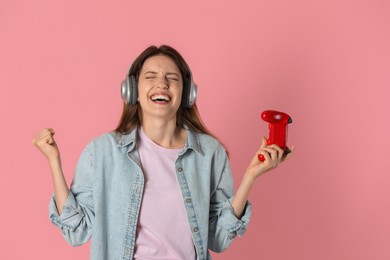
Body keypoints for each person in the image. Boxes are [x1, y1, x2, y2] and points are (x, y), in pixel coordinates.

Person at [32, 45, 293, 260]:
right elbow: (76, 232)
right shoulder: (101, 152)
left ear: (187, 93)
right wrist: (54, 163)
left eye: (172, 78)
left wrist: (250, 176)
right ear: (131, 90)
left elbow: (218, 238)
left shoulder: (210, 153)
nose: (162, 84)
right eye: (151, 77)